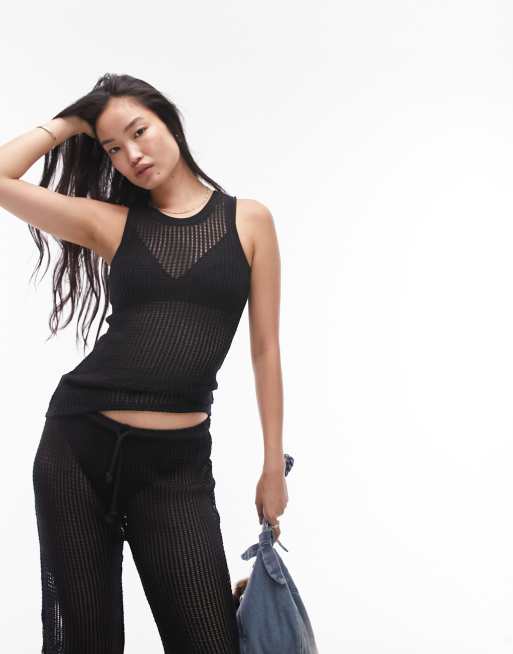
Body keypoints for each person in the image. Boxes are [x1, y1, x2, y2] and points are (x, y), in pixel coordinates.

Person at [0, 73, 288, 653]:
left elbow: (265, 349)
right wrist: (71, 122)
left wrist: (271, 464)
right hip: (78, 450)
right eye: (112, 147)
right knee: (88, 641)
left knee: (209, 641)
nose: (131, 154)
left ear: (169, 123)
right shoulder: (109, 223)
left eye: (139, 132)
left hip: (175, 470)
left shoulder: (249, 221)